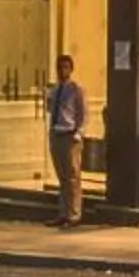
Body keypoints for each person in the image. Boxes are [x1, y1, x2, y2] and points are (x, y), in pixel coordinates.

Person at [46, 54, 88, 228]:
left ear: (71, 69)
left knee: (72, 177)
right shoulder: (55, 90)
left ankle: (74, 214)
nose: (62, 71)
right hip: (57, 133)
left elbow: (83, 114)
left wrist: (79, 133)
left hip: (70, 136)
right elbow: (51, 109)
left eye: (66, 67)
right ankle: (62, 213)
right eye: (60, 67)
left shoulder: (76, 90)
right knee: (62, 177)